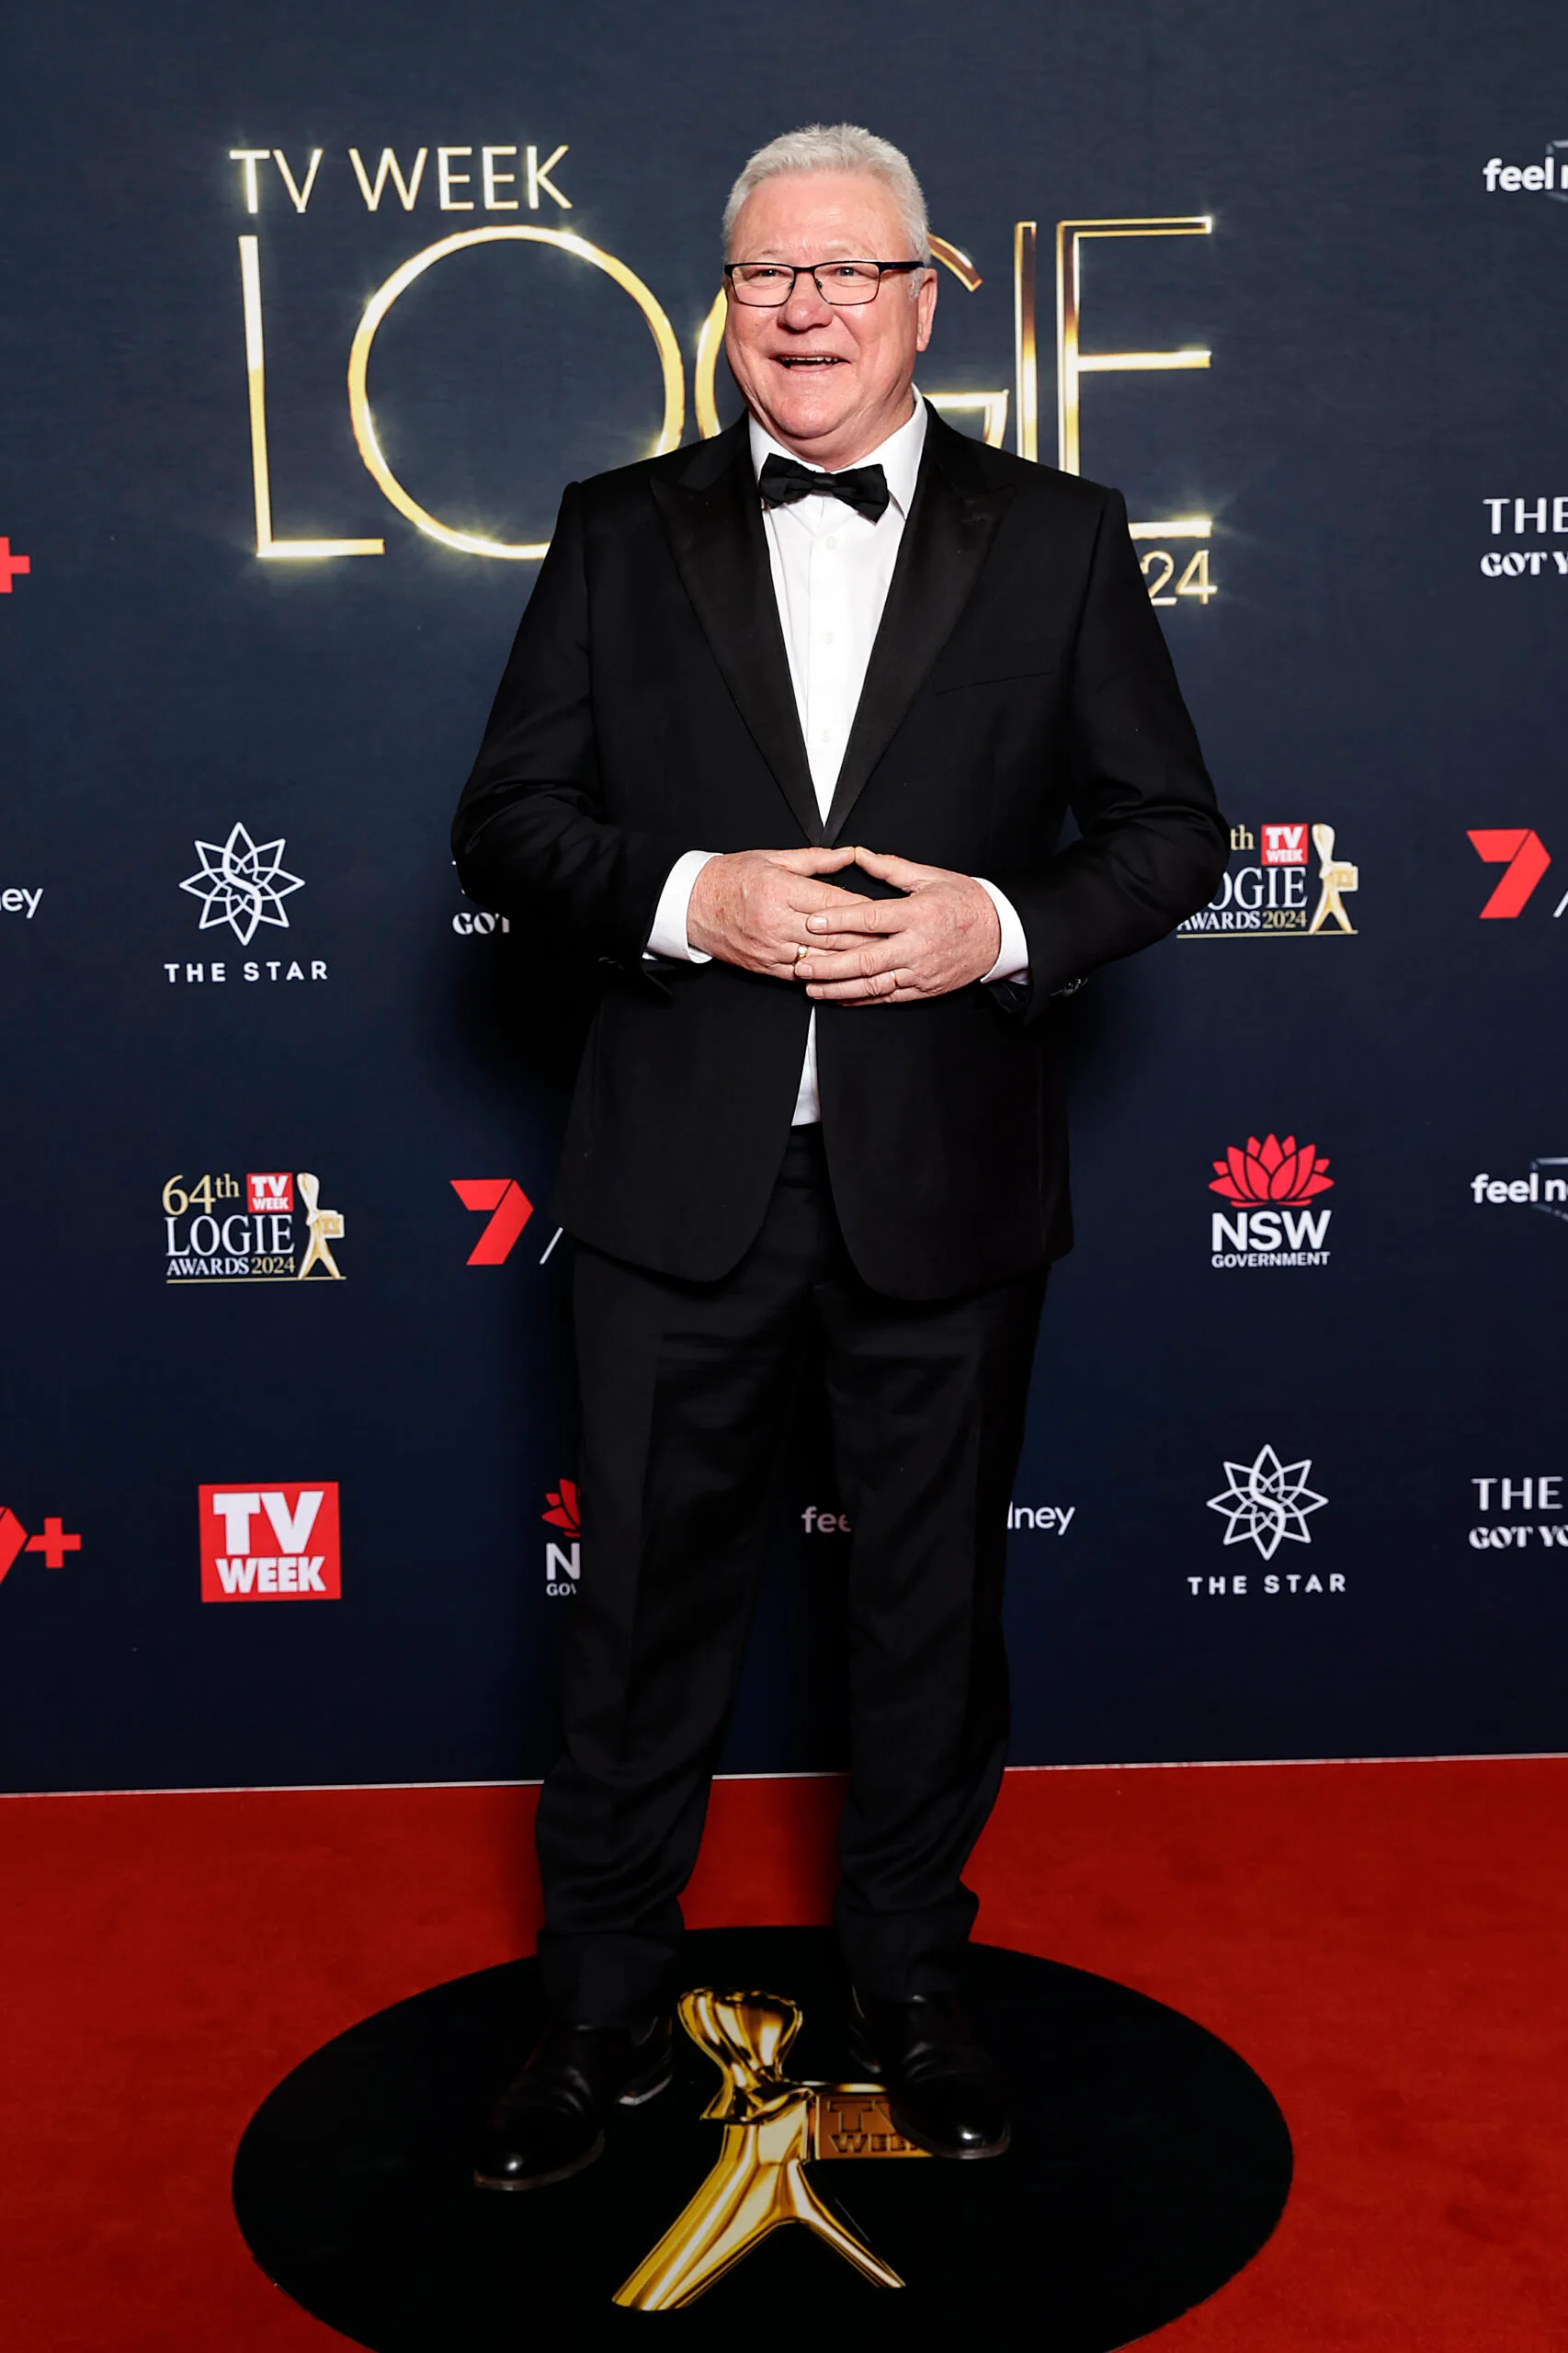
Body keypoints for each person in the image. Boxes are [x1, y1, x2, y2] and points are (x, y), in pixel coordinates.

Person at [452, 121, 1227, 2191]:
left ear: (921, 293)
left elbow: (1170, 830)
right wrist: (693, 893)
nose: (802, 308)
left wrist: (997, 926)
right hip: (674, 1182)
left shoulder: (1059, 532)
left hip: (944, 1174)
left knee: (924, 1610)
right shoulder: (616, 531)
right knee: (636, 1618)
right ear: (723, 305)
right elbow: (507, 823)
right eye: (761, 276)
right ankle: (595, 2008)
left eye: (844, 273)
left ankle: (910, 1984)